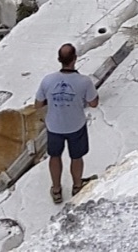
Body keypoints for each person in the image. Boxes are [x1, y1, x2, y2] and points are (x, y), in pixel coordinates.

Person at [36, 43, 98, 202]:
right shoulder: (84, 81)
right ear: (75, 59)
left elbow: (38, 104)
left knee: (54, 156)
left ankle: (56, 190)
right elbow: (93, 103)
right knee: (76, 157)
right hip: (76, 125)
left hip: (54, 126)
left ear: (59, 59)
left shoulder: (48, 80)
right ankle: (77, 186)